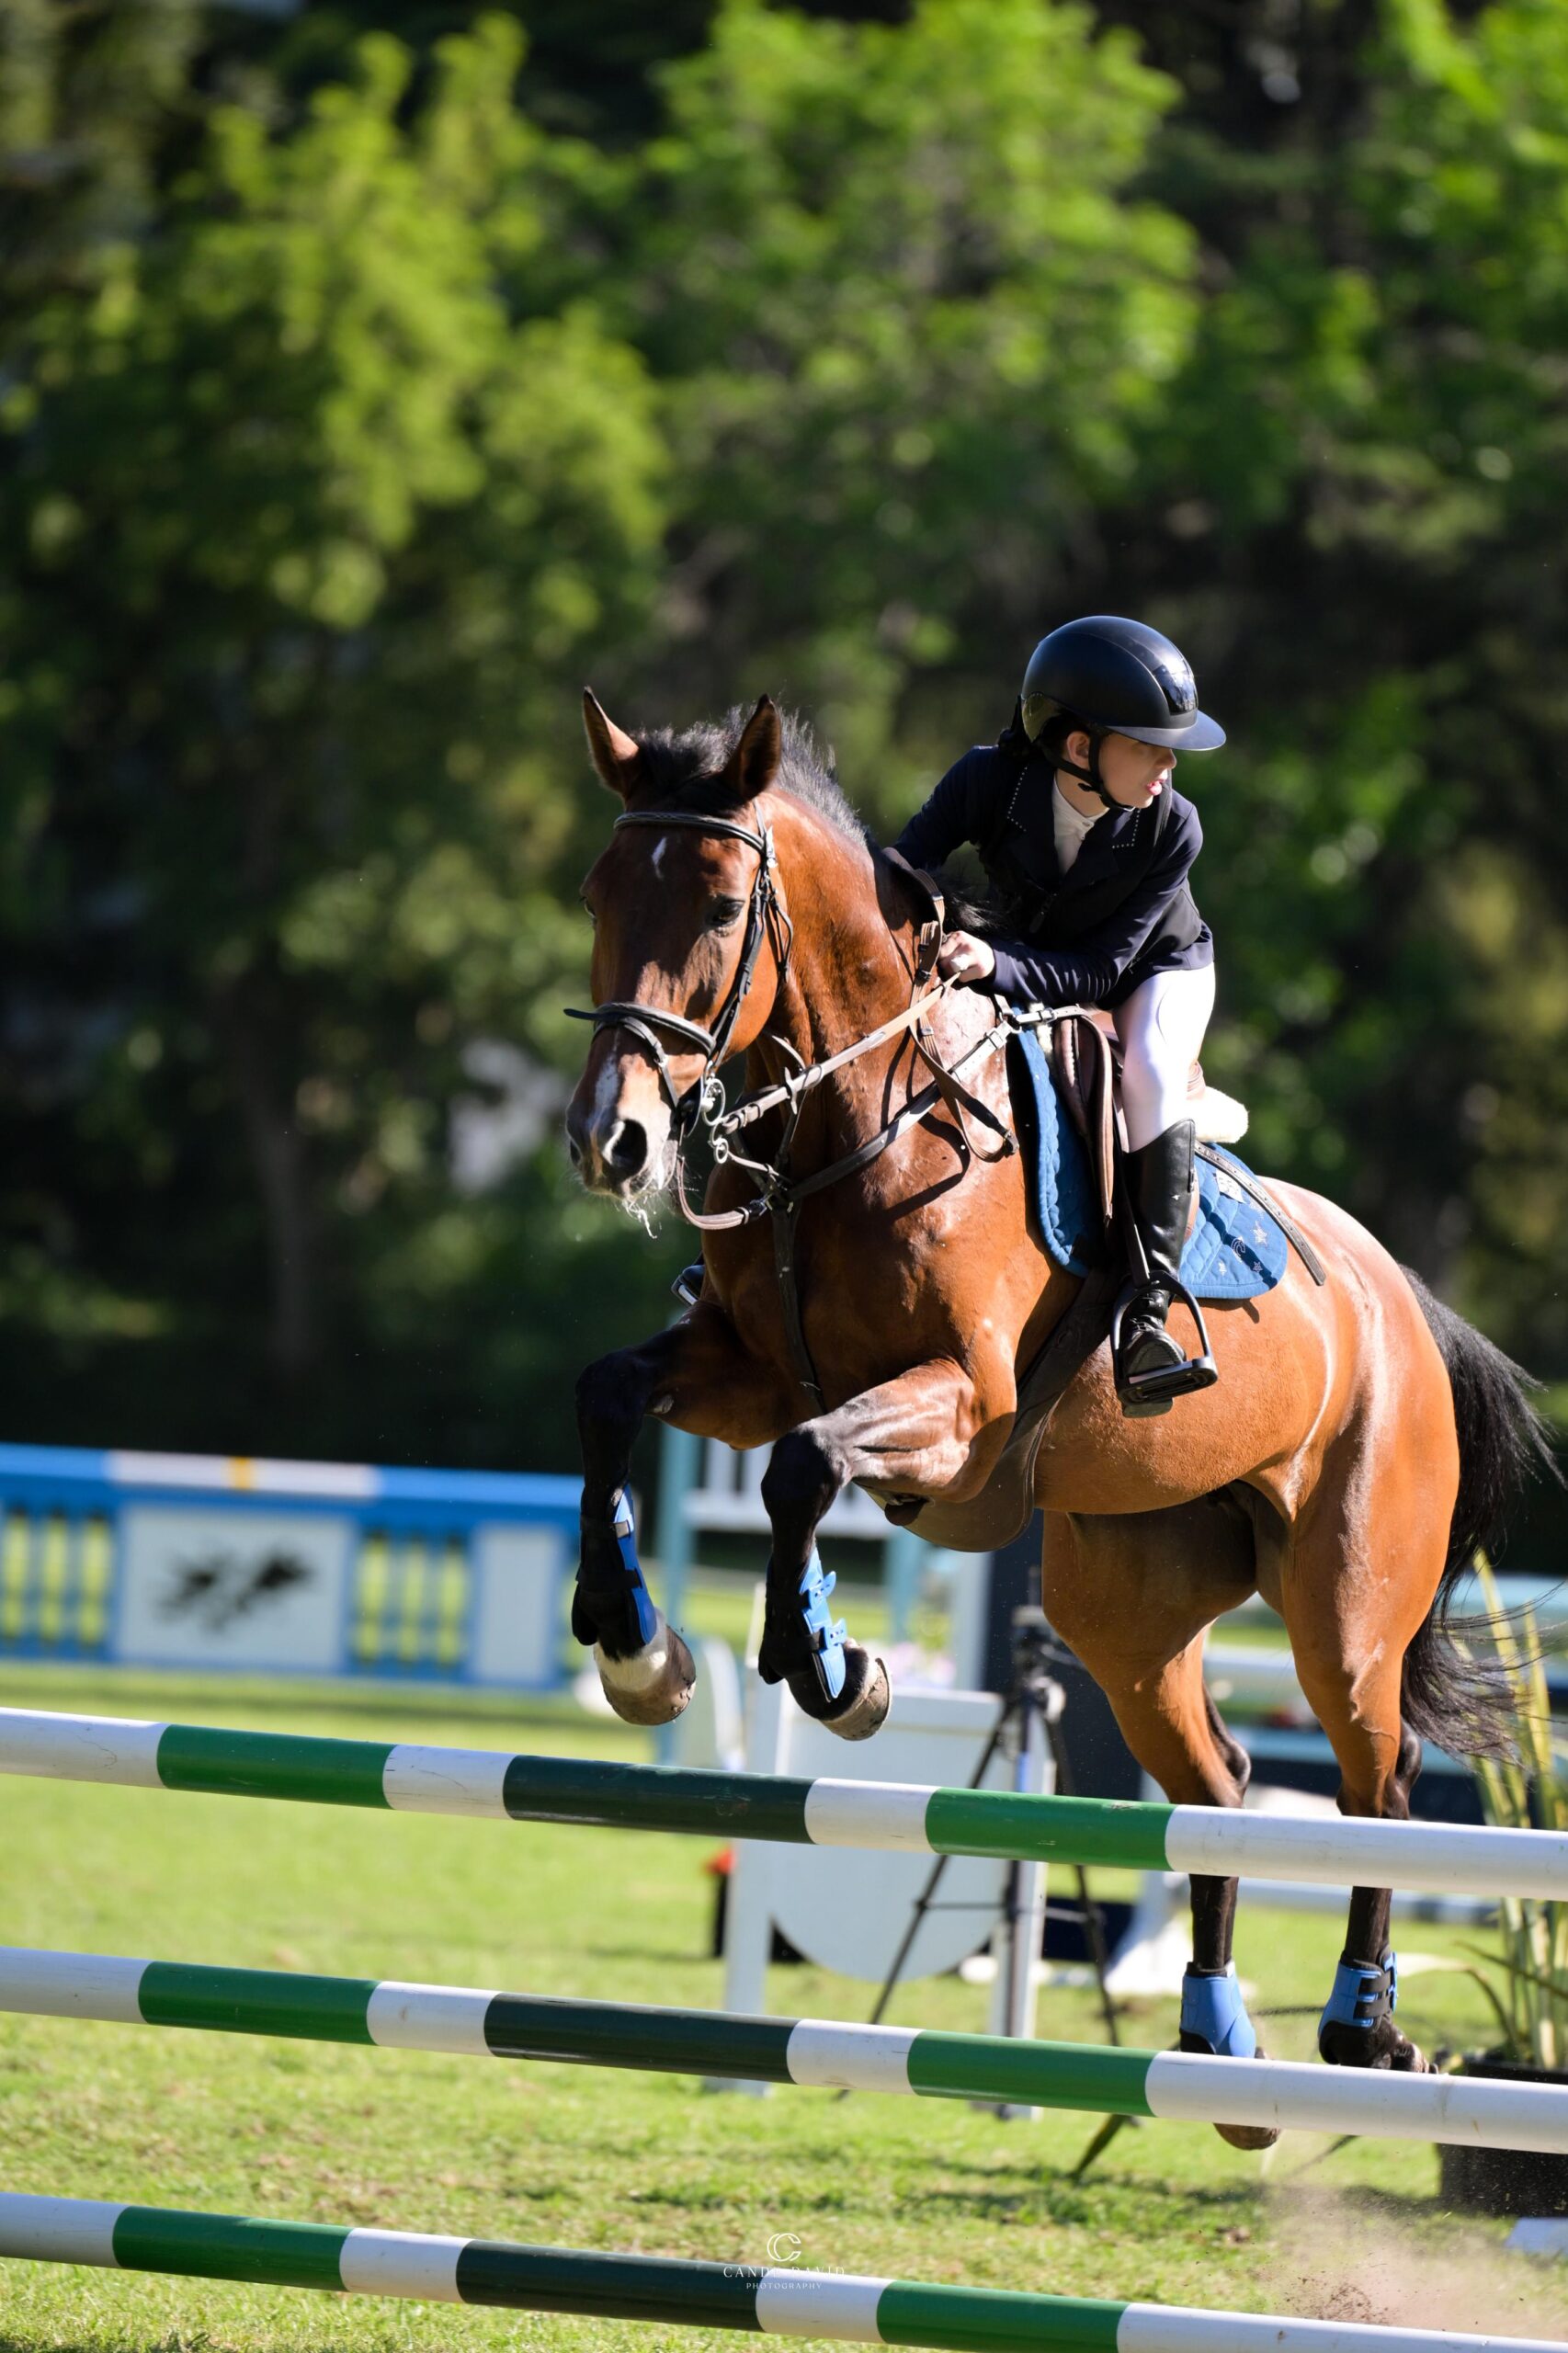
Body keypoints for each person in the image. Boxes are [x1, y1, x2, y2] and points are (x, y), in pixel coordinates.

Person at [892, 615, 1226, 1413]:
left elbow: (1104, 971)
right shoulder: (986, 781)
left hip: (1153, 973)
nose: (1168, 763)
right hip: (1029, 951)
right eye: (1149, 744)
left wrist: (997, 966)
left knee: (1146, 1070)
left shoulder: (1173, 823)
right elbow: (902, 867)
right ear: (1079, 748)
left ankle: (1149, 1309)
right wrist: (930, 915)